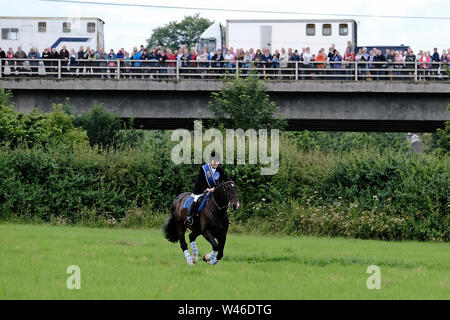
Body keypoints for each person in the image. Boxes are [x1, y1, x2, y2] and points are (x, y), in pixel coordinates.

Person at [185, 152, 228, 227]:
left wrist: (216, 188)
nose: (216, 163)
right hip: (201, 190)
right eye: (214, 161)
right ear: (211, 161)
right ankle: (189, 216)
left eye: (217, 161)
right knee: (196, 199)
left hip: (214, 191)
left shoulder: (220, 170)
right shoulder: (204, 169)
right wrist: (207, 189)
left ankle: (224, 218)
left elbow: (223, 180)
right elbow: (199, 181)